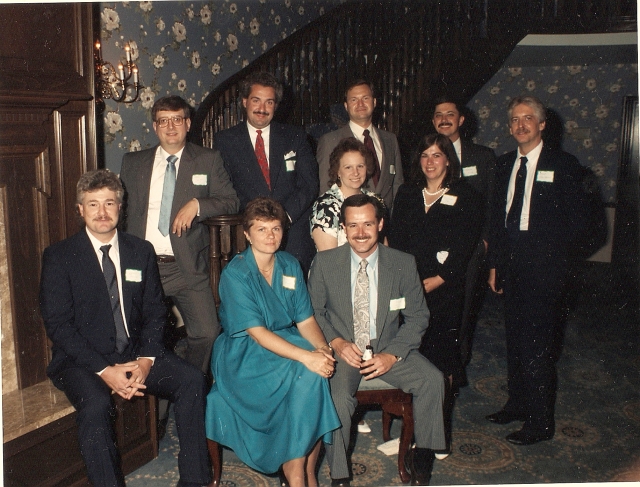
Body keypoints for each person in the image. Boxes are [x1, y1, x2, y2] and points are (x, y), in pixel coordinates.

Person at [39, 170, 211, 487]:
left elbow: (155, 310)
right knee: (96, 405)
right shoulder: (60, 257)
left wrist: (146, 360)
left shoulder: (139, 250)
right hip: (82, 361)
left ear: (121, 206)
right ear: (80, 210)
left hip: (135, 354)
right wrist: (105, 369)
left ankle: (195, 481)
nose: (102, 212)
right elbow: (59, 326)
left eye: (109, 203)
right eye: (93, 205)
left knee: (191, 380)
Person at [308, 193, 445, 487]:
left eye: (368, 224)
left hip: (387, 347)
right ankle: (340, 474)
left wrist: (392, 354)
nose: (360, 233)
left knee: (433, 380)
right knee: (338, 399)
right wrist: (337, 342)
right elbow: (314, 312)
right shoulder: (324, 262)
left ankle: (423, 454)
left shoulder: (403, 263)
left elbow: (419, 315)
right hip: (345, 350)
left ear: (380, 224)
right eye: (353, 225)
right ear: (343, 227)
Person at [205, 197, 340, 487]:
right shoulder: (236, 274)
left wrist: (322, 350)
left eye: (276, 229)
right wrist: (306, 357)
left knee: (315, 371)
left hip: (283, 341)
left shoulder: (291, 265)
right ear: (247, 233)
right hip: (244, 353)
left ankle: (302, 470)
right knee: (308, 371)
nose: (270, 236)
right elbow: (257, 333)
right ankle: (298, 472)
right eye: (262, 229)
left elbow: (305, 320)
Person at [486, 95, 591, 445]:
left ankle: (540, 422)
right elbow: (497, 220)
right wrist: (496, 265)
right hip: (512, 268)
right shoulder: (503, 165)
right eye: (515, 119)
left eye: (528, 118)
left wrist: (555, 259)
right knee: (515, 341)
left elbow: (585, 225)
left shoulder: (565, 164)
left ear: (542, 124)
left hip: (546, 272)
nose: (521, 125)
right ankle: (517, 404)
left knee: (538, 346)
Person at [120, 95, 239, 374]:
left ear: (187, 123)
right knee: (139, 338)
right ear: (154, 126)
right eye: (163, 120)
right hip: (142, 266)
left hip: (185, 268)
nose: (170, 126)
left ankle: (186, 380)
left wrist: (198, 204)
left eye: (177, 120)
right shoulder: (134, 162)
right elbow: (120, 211)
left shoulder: (207, 160)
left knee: (207, 332)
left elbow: (231, 201)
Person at [388, 133, 483, 458]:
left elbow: (463, 247)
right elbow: (396, 238)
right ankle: (411, 429)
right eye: (425, 155)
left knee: (441, 361)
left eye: (437, 155)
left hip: (444, 290)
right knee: (410, 357)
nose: (430, 161)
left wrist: (436, 280)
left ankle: (436, 433)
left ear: (448, 161)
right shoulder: (407, 192)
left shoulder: (465, 196)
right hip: (406, 288)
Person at [215, 71, 318, 274]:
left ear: (276, 105)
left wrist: (284, 217)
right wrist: (257, 222)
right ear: (244, 101)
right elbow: (226, 188)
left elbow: (309, 184)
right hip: (250, 234)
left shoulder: (294, 136)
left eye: (269, 102)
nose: (262, 109)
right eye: (256, 100)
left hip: (292, 231)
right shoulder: (225, 140)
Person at [432, 96, 496, 365]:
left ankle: (455, 371)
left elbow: (493, 205)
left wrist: (484, 244)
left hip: (469, 252)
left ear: (461, 120)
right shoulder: (426, 155)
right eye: (438, 114)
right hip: (433, 252)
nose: (444, 119)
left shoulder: (482, 157)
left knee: (464, 313)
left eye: (450, 113)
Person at [316, 80, 403, 210]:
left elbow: (397, 185)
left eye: (365, 98)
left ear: (374, 102)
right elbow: (326, 189)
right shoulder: (329, 141)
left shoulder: (390, 139)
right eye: (354, 100)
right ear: (346, 106)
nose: (360, 104)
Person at [310, 137, 381, 250]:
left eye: (360, 166)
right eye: (348, 167)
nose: (356, 173)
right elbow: (329, 259)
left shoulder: (374, 200)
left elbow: (384, 249)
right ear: (338, 171)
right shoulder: (325, 206)